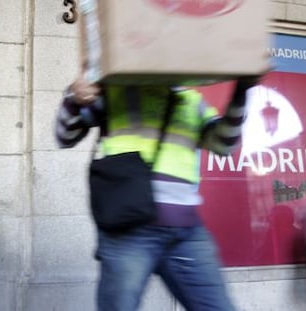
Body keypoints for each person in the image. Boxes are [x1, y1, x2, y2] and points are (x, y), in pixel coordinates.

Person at [55, 72, 259, 310]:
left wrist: (242, 90)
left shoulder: (192, 101)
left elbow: (225, 145)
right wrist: (73, 96)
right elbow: (65, 136)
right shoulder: (115, 91)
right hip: (128, 231)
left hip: (186, 232)